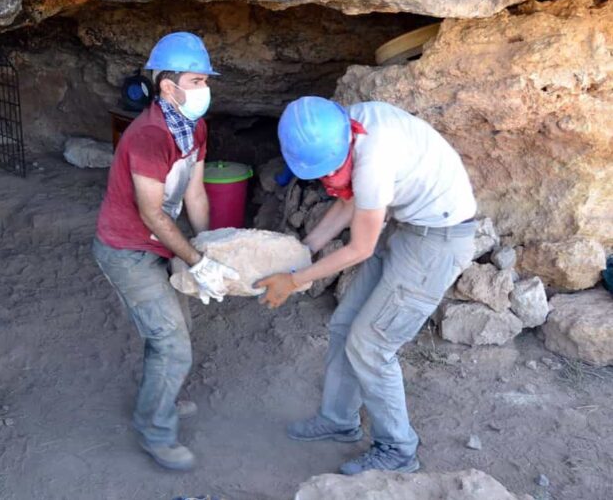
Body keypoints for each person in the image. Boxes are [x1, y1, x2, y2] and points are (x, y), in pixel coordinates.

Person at [257, 97, 477, 475]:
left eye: (330, 171)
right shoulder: (342, 125)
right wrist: (303, 251)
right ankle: (339, 420)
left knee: (372, 343)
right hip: (406, 227)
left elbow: (360, 247)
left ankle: (397, 449)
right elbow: (350, 199)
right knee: (346, 325)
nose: (327, 181)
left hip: (436, 241)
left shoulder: (373, 157)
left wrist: (294, 280)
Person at [92, 32, 237, 471]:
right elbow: (153, 214)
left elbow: (195, 192)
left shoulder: (194, 126)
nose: (204, 89)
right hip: (126, 248)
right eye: (195, 81)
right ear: (167, 87)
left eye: (205, 80)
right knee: (170, 340)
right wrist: (196, 261)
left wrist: (209, 245)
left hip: (159, 242)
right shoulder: (150, 136)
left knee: (178, 328)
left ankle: (163, 395)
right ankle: (156, 431)